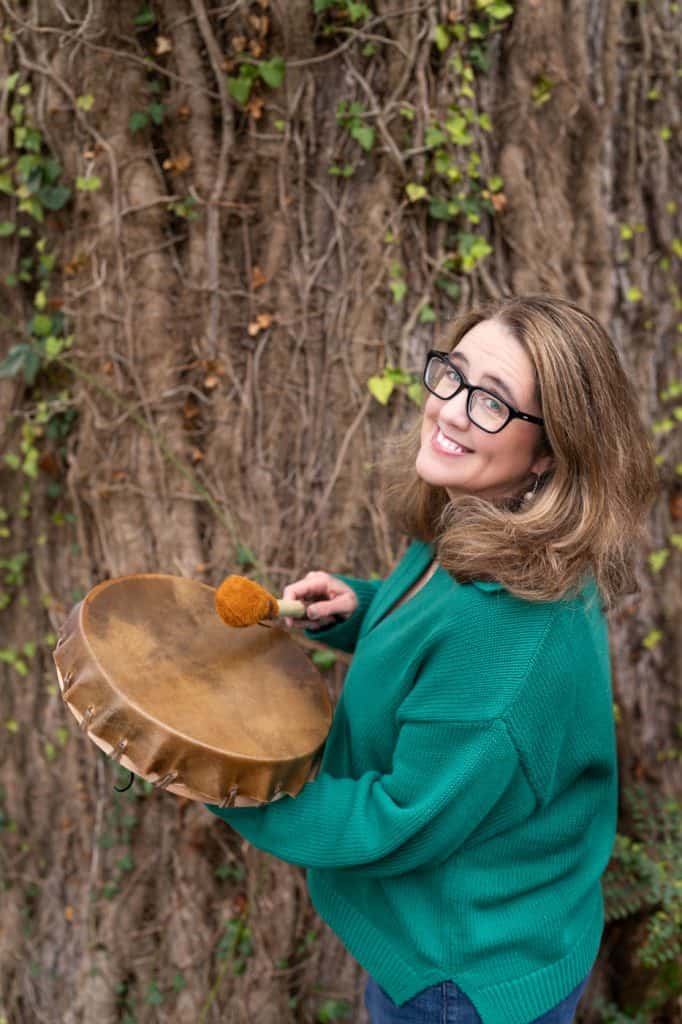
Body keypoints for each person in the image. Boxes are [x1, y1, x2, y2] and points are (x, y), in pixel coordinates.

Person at [207, 295, 657, 1024]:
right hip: (474, 928)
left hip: (461, 978)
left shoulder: (510, 630)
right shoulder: (492, 525)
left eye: (491, 403)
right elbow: (446, 653)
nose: (448, 409)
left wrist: (212, 777)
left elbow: (397, 818)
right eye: (453, 375)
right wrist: (365, 608)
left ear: (550, 451)